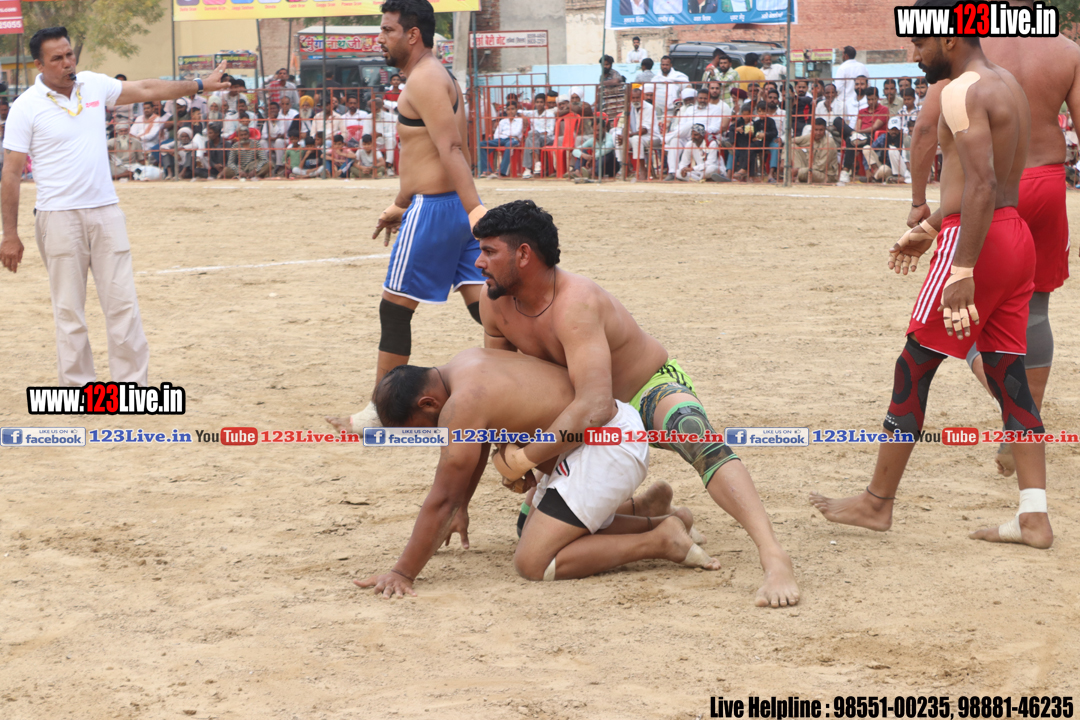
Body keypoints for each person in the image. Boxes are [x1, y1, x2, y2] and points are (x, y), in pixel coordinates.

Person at [472, 200, 799, 607]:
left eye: (489, 252)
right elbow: (503, 389)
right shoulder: (494, 302)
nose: (479, 263)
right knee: (530, 531)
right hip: (577, 409)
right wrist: (509, 453)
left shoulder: (575, 302)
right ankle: (649, 514)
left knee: (699, 438)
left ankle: (773, 555)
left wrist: (523, 459)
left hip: (643, 388)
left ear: (523, 255)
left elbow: (596, 403)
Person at [811, 5, 1053, 550]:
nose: (914, 54)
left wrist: (960, 267)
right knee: (1009, 374)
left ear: (948, 38)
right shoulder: (1007, 83)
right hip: (1014, 238)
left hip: (977, 242)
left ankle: (877, 502)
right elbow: (992, 186)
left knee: (914, 365)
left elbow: (981, 185)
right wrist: (929, 228)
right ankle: (1034, 517)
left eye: (918, 44)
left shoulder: (959, 91)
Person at [355, 349, 720, 598]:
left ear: (428, 402)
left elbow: (443, 497)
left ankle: (660, 540)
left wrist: (402, 572)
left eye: (427, 428)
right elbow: (473, 448)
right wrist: (462, 506)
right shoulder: (464, 363)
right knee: (529, 527)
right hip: (599, 437)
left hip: (605, 445)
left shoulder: (460, 405)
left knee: (535, 561)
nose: (437, 435)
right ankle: (653, 515)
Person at [0, 27, 229, 387]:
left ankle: (131, 387)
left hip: (106, 212)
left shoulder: (93, 84)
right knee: (69, 311)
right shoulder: (25, 107)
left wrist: (199, 84)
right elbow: (11, 174)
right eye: (57, 58)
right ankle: (78, 389)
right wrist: (10, 234)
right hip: (57, 217)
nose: (67, 63)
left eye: (69, 54)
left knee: (123, 305)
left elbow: (148, 88)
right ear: (38, 65)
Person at [908, 0, 1080, 476]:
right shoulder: (1067, 49)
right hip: (1045, 182)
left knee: (959, 313)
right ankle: (1021, 427)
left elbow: (925, 128)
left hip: (986, 189)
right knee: (1034, 310)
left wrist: (920, 202)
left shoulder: (967, 45)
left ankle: (1014, 415)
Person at [326, 0, 487, 433]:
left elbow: (451, 148)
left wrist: (476, 209)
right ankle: (538, 375)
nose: (380, 39)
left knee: (394, 309)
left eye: (387, 30)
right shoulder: (437, 75)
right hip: (449, 207)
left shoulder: (425, 78)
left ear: (412, 34)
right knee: (488, 310)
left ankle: (379, 414)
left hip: (436, 210)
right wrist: (401, 203)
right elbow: (428, 154)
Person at [478, 102, 522, 178]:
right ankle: (486, 170)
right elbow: (496, 135)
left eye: (512, 109)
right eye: (508, 109)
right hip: (501, 139)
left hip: (513, 140)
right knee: (481, 144)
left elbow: (516, 133)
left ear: (516, 110)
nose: (510, 111)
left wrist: (504, 134)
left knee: (509, 144)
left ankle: (502, 171)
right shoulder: (502, 121)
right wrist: (507, 135)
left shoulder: (520, 120)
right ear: (506, 111)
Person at [791, 117, 839, 183]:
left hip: (825, 174)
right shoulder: (810, 137)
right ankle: (798, 175)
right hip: (811, 168)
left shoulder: (828, 142)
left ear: (825, 130)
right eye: (816, 130)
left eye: (821, 130)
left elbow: (821, 166)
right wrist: (784, 159)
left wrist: (801, 170)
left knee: (802, 172)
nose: (818, 133)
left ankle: (797, 177)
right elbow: (791, 141)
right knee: (791, 146)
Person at [833, 45, 869, 123]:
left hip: (846, 103)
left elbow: (838, 88)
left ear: (846, 55)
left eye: (842, 54)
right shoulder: (862, 67)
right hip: (862, 101)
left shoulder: (842, 68)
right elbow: (868, 84)